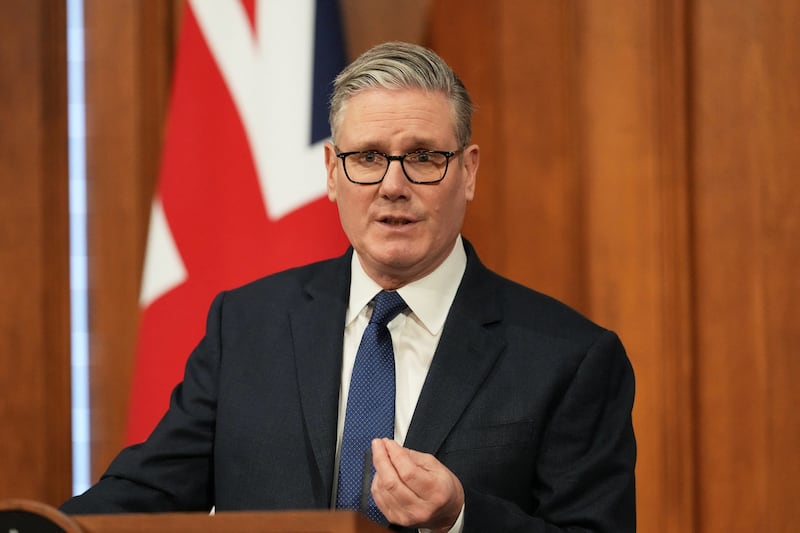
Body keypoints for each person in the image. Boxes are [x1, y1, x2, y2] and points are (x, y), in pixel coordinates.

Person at [61, 41, 636, 532]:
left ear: (469, 171)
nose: (393, 185)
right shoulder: (246, 327)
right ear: (333, 172)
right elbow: (149, 495)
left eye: (423, 157)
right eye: (367, 157)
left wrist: (462, 515)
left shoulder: (570, 358)